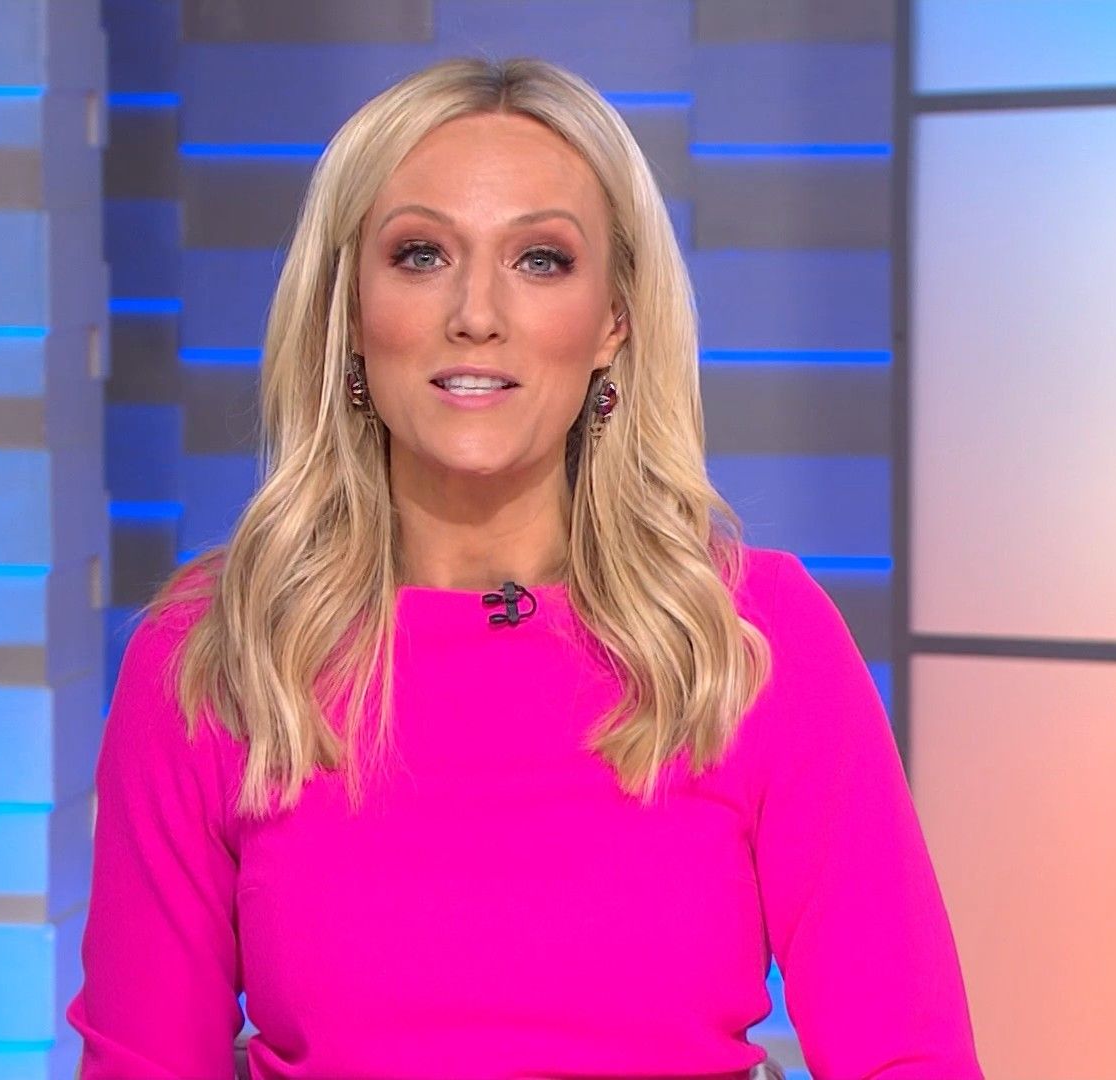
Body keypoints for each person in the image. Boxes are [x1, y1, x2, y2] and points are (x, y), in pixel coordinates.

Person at [65, 55, 983, 1080]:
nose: (477, 312)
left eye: (540, 260)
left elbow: (909, 1057)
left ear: (613, 321)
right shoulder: (214, 652)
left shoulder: (753, 639)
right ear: (348, 313)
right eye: (420, 254)